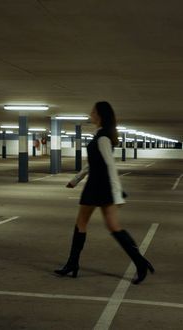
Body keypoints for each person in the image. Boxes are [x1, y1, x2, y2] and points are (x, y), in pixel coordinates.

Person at [54, 101, 154, 284]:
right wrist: (76, 179)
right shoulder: (100, 135)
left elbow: (110, 167)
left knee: (108, 226)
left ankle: (140, 263)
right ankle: (72, 263)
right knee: (85, 224)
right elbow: (92, 163)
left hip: (100, 187)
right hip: (96, 185)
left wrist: (117, 195)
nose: (90, 114)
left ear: (99, 115)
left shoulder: (103, 138)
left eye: (92, 111)